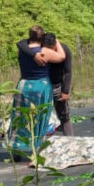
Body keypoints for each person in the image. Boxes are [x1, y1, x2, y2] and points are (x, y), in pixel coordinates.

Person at [8, 25, 66, 153]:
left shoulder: (22, 50)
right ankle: (37, 147)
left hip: (24, 84)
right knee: (40, 117)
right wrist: (56, 41)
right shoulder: (46, 51)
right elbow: (62, 56)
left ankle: (16, 146)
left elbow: (22, 44)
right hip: (41, 85)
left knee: (20, 116)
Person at [17, 32, 74, 136]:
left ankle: (70, 141)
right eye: (46, 48)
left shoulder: (64, 50)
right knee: (40, 116)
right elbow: (21, 43)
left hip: (57, 85)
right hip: (41, 87)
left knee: (64, 116)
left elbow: (68, 71)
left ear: (55, 44)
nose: (49, 52)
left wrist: (65, 91)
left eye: (51, 49)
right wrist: (34, 54)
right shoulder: (38, 50)